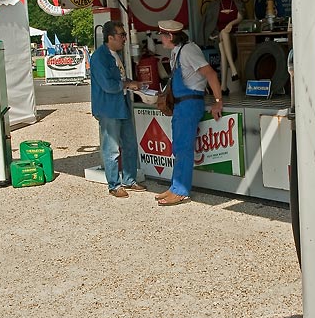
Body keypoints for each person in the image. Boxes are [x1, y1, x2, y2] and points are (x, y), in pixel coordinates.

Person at [155, 19, 223, 206]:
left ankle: (181, 191)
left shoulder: (188, 50)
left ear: (170, 36)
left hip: (190, 103)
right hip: (181, 105)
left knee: (184, 148)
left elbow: (210, 73)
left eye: (162, 35)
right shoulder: (177, 51)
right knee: (178, 147)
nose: (160, 38)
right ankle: (175, 186)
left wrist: (218, 101)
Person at [90, 20, 147, 198]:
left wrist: (133, 84)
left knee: (130, 144)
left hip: (121, 104)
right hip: (108, 107)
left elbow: (120, 77)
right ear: (110, 37)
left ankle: (129, 179)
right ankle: (114, 185)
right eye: (121, 35)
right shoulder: (99, 57)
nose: (125, 38)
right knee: (112, 148)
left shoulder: (115, 54)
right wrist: (129, 84)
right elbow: (108, 85)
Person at [200, 0, 244, 94]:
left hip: (234, 36)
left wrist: (231, 23)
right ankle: (233, 70)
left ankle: (223, 86)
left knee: (222, 46)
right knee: (223, 35)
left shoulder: (236, 3)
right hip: (219, 35)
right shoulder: (215, 6)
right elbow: (209, 23)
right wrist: (212, 34)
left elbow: (240, 18)